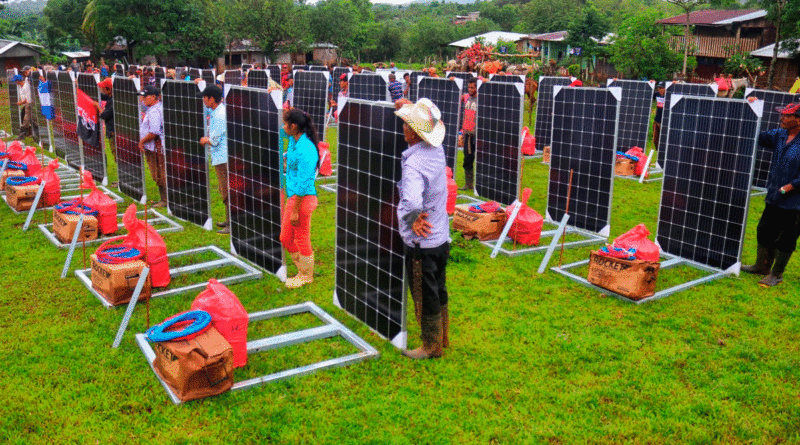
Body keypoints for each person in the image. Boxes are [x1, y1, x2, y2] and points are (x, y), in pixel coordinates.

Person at [394, 97, 450, 360]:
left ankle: (431, 346)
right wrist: (409, 108)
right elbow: (431, 119)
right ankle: (443, 336)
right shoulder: (435, 150)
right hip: (441, 237)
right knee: (438, 286)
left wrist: (411, 219)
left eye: (406, 125)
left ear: (415, 133)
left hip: (422, 244)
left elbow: (413, 201)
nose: (402, 128)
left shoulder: (414, 164)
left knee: (424, 292)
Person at [742, 99, 800, 287]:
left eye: (787, 115)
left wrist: (793, 185)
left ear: (798, 119)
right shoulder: (780, 135)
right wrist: (749, 108)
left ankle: (776, 274)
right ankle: (761, 266)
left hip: (795, 201)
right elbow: (757, 136)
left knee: (786, 237)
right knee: (764, 230)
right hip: (775, 194)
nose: (781, 117)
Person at [280, 108, 320, 289]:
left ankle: (306, 275)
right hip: (293, 196)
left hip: (302, 199)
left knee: (302, 237)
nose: (283, 126)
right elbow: (281, 131)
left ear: (293, 126)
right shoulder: (294, 140)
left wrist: (295, 209)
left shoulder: (306, 149)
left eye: (285, 123)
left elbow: (304, 184)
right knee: (286, 237)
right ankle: (301, 268)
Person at [198, 85, 230, 234]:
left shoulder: (219, 115)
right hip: (221, 157)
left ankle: (232, 223)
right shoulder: (218, 111)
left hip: (223, 158)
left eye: (205, 98)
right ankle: (229, 220)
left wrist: (205, 139)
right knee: (224, 189)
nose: (203, 100)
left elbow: (214, 140)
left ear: (211, 99)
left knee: (227, 190)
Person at [138, 85, 167, 207]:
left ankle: (165, 200)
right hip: (154, 146)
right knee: (158, 173)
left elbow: (154, 132)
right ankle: (165, 199)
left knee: (159, 173)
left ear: (154, 97)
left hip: (155, 147)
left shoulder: (155, 111)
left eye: (145, 96)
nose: (143, 98)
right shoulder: (154, 108)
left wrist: (142, 141)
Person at [94, 78, 116, 184]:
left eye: (103, 88)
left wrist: (98, 107)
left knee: (118, 157)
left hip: (114, 132)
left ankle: (122, 181)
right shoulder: (111, 97)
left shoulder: (113, 101)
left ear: (108, 89)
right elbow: (103, 96)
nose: (101, 90)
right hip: (113, 131)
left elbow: (104, 115)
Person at [459, 77, 478, 190]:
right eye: (469, 87)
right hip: (468, 134)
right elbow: (456, 94)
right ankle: (469, 184)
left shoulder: (481, 98)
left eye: (472, 87)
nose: (469, 89)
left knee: (482, 160)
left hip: (478, 135)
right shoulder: (466, 97)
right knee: (467, 160)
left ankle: (481, 184)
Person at [13, 74, 32, 140]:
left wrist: (20, 103)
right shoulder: (20, 87)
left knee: (26, 119)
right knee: (22, 116)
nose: (15, 82)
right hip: (25, 104)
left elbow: (27, 99)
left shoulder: (26, 87)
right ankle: (29, 132)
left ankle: (22, 135)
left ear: (18, 81)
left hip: (28, 104)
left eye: (16, 81)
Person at [653, 81, 667, 149]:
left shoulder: (669, 95)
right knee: (655, 139)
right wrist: (651, 83)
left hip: (665, 122)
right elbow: (647, 93)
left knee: (664, 139)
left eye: (662, 88)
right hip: (657, 120)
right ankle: (658, 151)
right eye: (659, 88)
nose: (661, 89)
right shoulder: (656, 94)